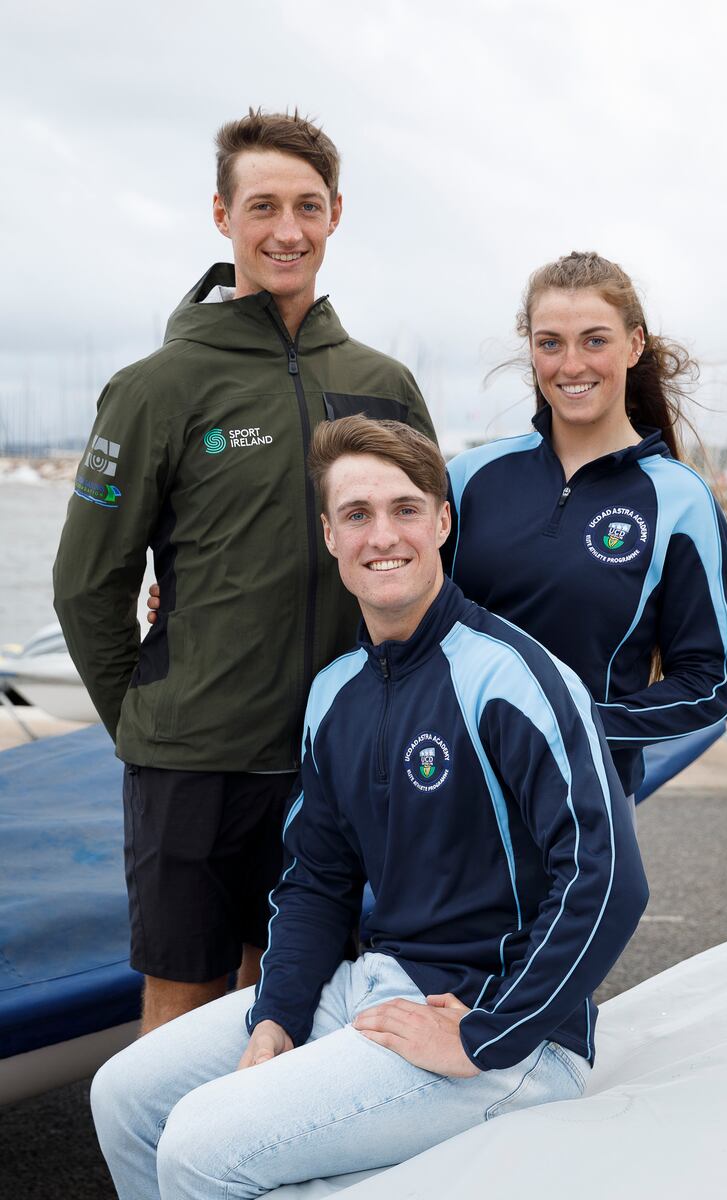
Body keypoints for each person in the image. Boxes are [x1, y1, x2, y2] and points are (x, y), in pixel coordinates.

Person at [91, 416, 648, 1199]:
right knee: (122, 1098)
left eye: (405, 509)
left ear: (442, 521)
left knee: (200, 1147)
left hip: (504, 1028)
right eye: (357, 514)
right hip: (369, 987)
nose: (382, 535)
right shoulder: (335, 693)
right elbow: (316, 879)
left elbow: (608, 877)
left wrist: (492, 1035)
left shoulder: (515, 680)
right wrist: (276, 1018)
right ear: (328, 535)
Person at [52, 110, 435, 1032]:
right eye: (262, 205)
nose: (287, 229)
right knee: (183, 1008)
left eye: (307, 205)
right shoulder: (160, 386)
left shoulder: (383, 381)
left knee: (296, 1000)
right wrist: (146, 719)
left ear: (337, 214)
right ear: (222, 215)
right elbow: (86, 583)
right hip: (194, 761)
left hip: (340, 755)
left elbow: (426, 556)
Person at [444, 251, 727, 803]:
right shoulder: (467, 479)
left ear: (634, 345)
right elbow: (409, 628)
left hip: (588, 800)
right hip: (453, 791)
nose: (571, 364)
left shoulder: (680, 499)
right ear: (531, 350)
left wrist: (572, 730)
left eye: (595, 340)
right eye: (550, 342)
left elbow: (708, 683)